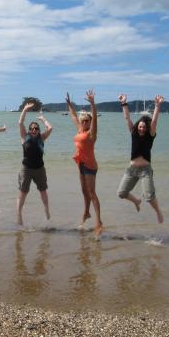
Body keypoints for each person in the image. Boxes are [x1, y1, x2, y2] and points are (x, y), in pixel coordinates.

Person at [117, 94, 164, 223]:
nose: (142, 128)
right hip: (131, 169)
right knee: (121, 193)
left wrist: (157, 105)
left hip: (145, 171)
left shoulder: (150, 135)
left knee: (149, 197)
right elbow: (127, 118)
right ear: (137, 126)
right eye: (140, 126)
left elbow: (154, 121)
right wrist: (124, 103)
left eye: (144, 126)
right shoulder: (133, 133)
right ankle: (136, 201)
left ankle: (158, 211)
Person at [66, 90, 103, 236]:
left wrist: (92, 104)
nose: (85, 122)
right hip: (80, 164)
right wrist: (69, 104)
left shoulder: (91, 134)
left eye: (87, 120)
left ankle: (99, 222)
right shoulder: (80, 129)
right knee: (84, 192)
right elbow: (74, 116)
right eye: (84, 120)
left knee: (92, 193)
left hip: (90, 166)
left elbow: (95, 120)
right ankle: (86, 213)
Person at [16, 102, 53, 225]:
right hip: (26, 169)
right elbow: (20, 123)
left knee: (43, 190)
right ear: (29, 130)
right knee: (23, 192)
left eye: (36, 128)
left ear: (38, 130)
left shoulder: (42, 138)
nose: (33, 130)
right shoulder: (24, 137)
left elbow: (50, 128)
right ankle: (19, 214)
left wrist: (43, 119)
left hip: (39, 169)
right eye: (31, 128)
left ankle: (46, 209)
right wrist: (25, 109)